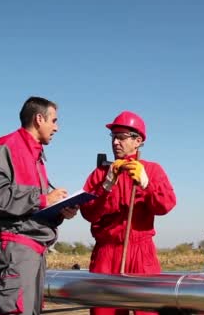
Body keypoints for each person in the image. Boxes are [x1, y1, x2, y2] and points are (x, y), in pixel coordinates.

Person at [0, 96, 78, 315]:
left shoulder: (36, 155)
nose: (57, 127)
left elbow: (31, 208)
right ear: (38, 119)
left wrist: (60, 211)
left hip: (34, 250)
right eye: (54, 120)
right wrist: (45, 198)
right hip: (16, 248)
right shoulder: (5, 147)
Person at [81, 111, 176, 315]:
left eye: (121, 137)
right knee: (103, 311)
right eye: (113, 137)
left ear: (138, 141)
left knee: (148, 311)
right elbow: (88, 213)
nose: (115, 142)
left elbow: (166, 205)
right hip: (107, 254)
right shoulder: (99, 174)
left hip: (141, 253)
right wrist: (105, 186)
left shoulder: (152, 170)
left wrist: (147, 184)